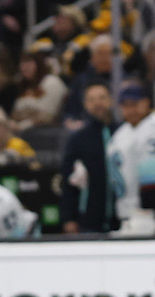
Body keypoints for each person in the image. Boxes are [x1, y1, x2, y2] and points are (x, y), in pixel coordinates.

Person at [109, 82, 155, 234]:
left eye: (134, 104)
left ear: (146, 102)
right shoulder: (119, 135)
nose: (130, 109)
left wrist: (151, 213)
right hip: (127, 217)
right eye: (125, 105)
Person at [59, 82, 115, 234]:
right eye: (91, 99)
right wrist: (69, 218)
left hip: (121, 219)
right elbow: (68, 181)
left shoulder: (122, 133)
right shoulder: (78, 139)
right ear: (85, 104)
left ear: (111, 100)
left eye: (102, 98)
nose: (97, 103)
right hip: (89, 221)